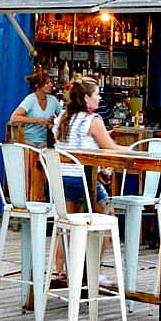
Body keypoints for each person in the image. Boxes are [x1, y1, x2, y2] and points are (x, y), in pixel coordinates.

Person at [51, 80, 127, 273]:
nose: (99, 98)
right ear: (86, 98)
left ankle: (59, 272)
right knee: (107, 221)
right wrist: (135, 149)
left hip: (62, 180)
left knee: (66, 225)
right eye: (96, 95)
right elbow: (111, 148)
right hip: (84, 180)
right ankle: (93, 273)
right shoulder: (93, 121)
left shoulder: (63, 118)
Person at [9, 71, 61, 147]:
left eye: (50, 82)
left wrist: (54, 120)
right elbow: (14, 118)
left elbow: (63, 116)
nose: (51, 85)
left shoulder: (53, 100)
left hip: (48, 143)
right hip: (30, 142)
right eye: (47, 83)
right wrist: (37, 121)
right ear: (37, 86)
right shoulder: (30, 99)